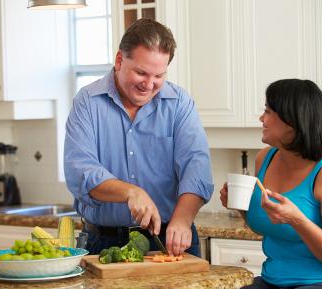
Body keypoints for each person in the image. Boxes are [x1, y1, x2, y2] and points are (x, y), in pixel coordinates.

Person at [64, 18, 213, 257]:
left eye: (159, 76)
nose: (149, 84)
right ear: (119, 60)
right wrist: (130, 192)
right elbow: (80, 170)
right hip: (104, 242)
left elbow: (197, 167)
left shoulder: (179, 103)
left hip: (169, 239)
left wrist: (183, 219)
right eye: (142, 73)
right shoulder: (87, 102)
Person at [220, 79, 322, 289]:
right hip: (275, 281)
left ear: (294, 121)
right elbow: (266, 224)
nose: (262, 118)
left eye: (269, 111)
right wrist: (240, 207)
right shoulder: (265, 158)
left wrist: (297, 220)